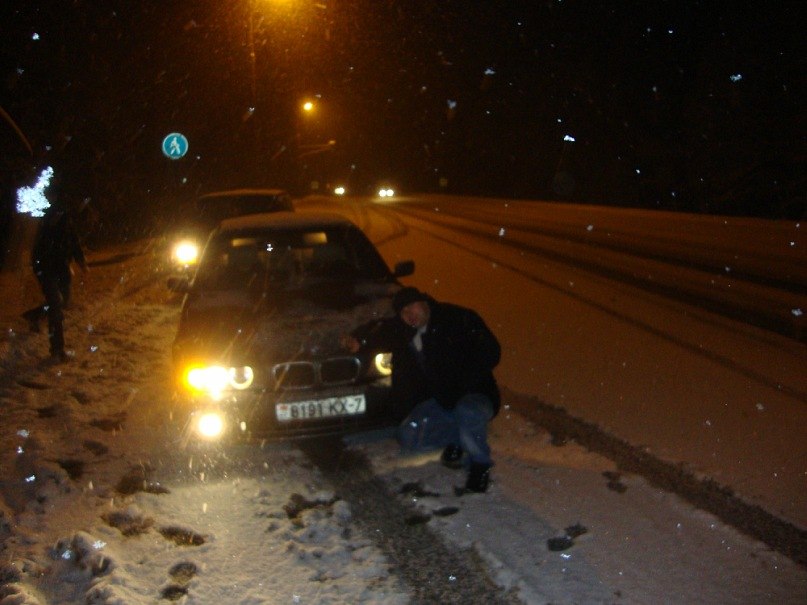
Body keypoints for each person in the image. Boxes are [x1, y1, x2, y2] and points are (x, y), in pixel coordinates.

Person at [346, 286, 501, 493]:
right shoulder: (406, 330)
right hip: (443, 400)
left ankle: (479, 466)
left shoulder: (456, 318)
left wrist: (464, 378)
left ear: (424, 302)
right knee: (408, 436)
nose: (410, 315)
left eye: (413, 307)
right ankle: (458, 440)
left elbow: (491, 351)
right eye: (404, 312)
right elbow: (382, 329)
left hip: (475, 394)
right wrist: (360, 339)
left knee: (467, 412)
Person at [22, 196, 88, 361]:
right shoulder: (52, 220)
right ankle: (57, 349)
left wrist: (80, 262)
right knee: (56, 306)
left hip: (60, 268)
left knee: (62, 301)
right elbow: (44, 246)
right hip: (47, 268)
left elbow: (73, 242)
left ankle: (35, 315)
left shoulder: (67, 221)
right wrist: (43, 266)